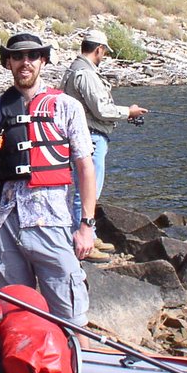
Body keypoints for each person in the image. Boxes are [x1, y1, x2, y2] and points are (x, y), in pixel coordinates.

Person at [0, 32, 98, 328]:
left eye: (33, 56)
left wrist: (86, 226)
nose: (25, 62)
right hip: (3, 226)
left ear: (43, 61)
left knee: (71, 317)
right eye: (17, 56)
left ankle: (78, 356)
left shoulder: (67, 107)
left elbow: (85, 169)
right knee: (9, 316)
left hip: (52, 223)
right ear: (8, 62)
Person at [62, 27, 147, 260]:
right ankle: (83, 241)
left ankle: (89, 233)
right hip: (91, 138)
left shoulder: (73, 69)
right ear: (99, 49)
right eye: (104, 52)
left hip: (85, 136)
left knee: (86, 188)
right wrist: (128, 112)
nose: (104, 56)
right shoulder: (86, 73)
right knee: (87, 190)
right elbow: (101, 110)